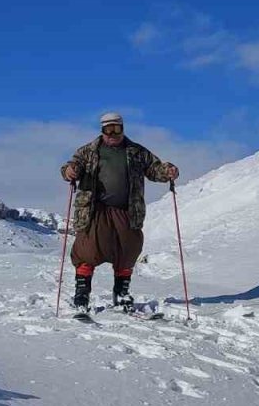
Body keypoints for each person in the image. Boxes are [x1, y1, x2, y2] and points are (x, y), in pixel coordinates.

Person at [60, 112, 179, 312]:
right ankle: (82, 294)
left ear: (123, 128)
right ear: (102, 130)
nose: (112, 133)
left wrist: (168, 171)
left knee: (128, 250)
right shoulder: (87, 151)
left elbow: (154, 168)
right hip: (95, 211)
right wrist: (69, 171)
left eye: (116, 128)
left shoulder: (137, 152)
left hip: (127, 211)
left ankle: (121, 293)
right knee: (87, 250)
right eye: (108, 129)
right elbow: (70, 167)